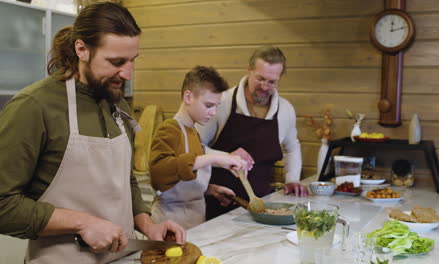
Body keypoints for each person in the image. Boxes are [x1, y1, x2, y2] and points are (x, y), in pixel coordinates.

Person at [0, 2, 185, 263]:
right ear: (82, 49)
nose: (127, 73)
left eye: (132, 60)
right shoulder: (33, 107)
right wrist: (81, 223)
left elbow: (124, 180)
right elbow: (3, 205)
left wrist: (147, 224)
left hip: (124, 258)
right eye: (116, 62)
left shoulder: (117, 103)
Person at [197, 46, 309, 219]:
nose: (264, 86)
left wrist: (293, 179)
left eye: (272, 82)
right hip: (216, 202)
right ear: (249, 71)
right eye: (260, 78)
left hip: (262, 206)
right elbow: (194, 148)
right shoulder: (222, 102)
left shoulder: (285, 110)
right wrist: (225, 157)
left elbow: (292, 147)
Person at [149, 66, 248, 229]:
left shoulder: (194, 132)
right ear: (188, 97)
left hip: (195, 219)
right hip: (170, 221)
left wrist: (209, 189)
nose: (213, 112)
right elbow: (159, 174)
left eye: (216, 106)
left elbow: (182, 180)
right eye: (208, 105)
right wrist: (215, 158)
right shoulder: (169, 129)